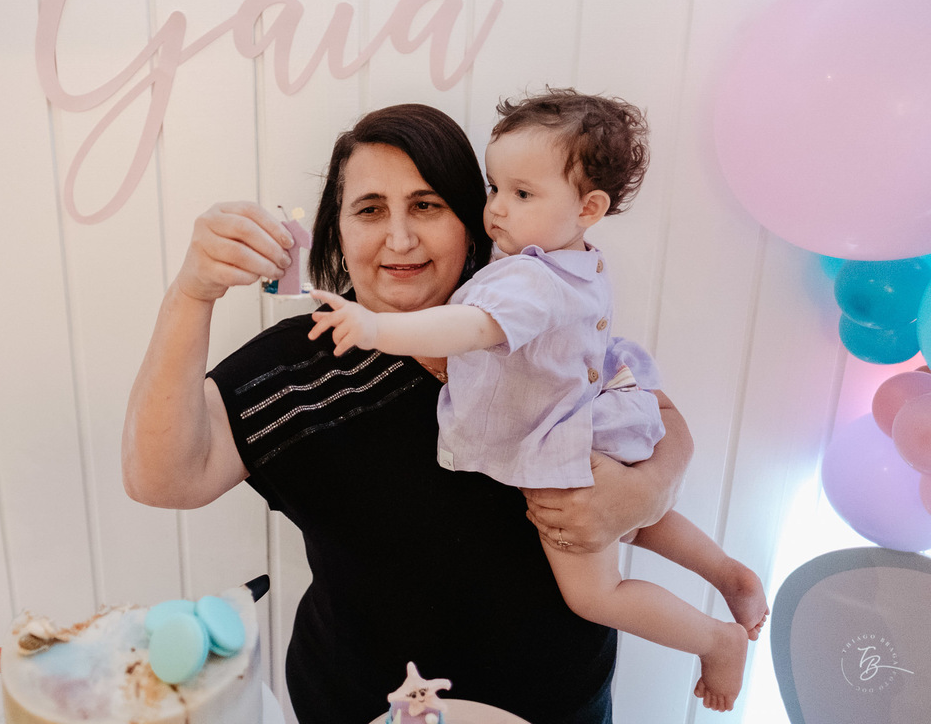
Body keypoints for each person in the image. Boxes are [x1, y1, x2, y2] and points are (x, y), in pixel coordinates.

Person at [122, 102, 696, 724]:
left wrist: (649, 489)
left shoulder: (533, 305)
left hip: (562, 708)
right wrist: (192, 292)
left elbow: (651, 408)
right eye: (370, 210)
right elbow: (161, 478)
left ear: (470, 221)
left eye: (426, 205)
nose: (399, 238)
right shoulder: (301, 366)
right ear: (337, 231)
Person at [307, 90, 769, 712]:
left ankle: (715, 641)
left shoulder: (529, 279)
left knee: (595, 594)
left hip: (559, 447)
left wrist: (376, 327)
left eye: (522, 194)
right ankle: (729, 573)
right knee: (639, 519)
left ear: (589, 207)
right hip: (595, 420)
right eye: (495, 188)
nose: (497, 208)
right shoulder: (575, 263)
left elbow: (472, 328)